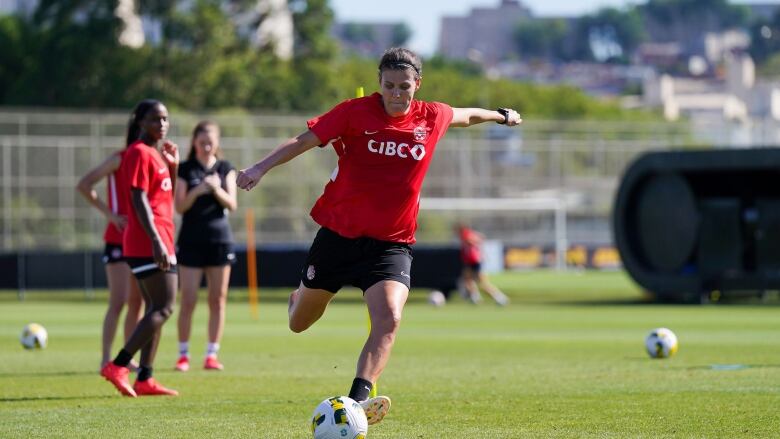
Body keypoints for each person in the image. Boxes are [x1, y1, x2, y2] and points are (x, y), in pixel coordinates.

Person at [236, 47, 521, 425]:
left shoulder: (431, 116)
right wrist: (260, 167)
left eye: (405, 86)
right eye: (389, 86)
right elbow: (305, 140)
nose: (397, 94)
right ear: (379, 83)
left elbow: (467, 116)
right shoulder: (354, 112)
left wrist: (501, 115)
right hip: (339, 237)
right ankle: (299, 296)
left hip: (392, 243)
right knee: (299, 323)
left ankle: (356, 402)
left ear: (417, 84)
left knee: (388, 318)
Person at [100, 99, 180, 397]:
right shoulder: (137, 152)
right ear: (140, 122)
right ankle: (118, 365)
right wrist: (157, 241)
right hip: (148, 241)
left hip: (161, 237)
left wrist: (174, 166)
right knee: (165, 306)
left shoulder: (156, 155)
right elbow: (138, 199)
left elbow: (165, 198)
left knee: (154, 307)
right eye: (155, 119)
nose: (162, 124)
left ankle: (145, 378)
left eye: (165, 119)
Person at [174, 121, 237, 372]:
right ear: (194, 143)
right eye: (202, 142)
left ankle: (212, 354)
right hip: (190, 241)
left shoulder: (225, 168)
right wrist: (198, 190)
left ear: (217, 142)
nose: (206, 146)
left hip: (219, 240)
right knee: (188, 299)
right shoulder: (185, 169)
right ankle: (183, 354)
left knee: (217, 300)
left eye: (210, 141)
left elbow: (232, 203)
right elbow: (179, 206)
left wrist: (216, 189)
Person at [76, 143, 144, 371]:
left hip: (141, 239)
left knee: (138, 301)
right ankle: (105, 358)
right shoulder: (119, 159)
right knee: (119, 300)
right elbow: (84, 185)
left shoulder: (151, 158)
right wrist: (111, 215)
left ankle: (127, 357)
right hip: (118, 239)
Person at [458, 224, 510, 306]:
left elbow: (478, 239)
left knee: (483, 284)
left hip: (475, 262)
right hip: (469, 262)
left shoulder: (467, 234)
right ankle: (475, 297)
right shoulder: (465, 236)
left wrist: (472, 240)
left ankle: (500, 298)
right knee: (468, 280)